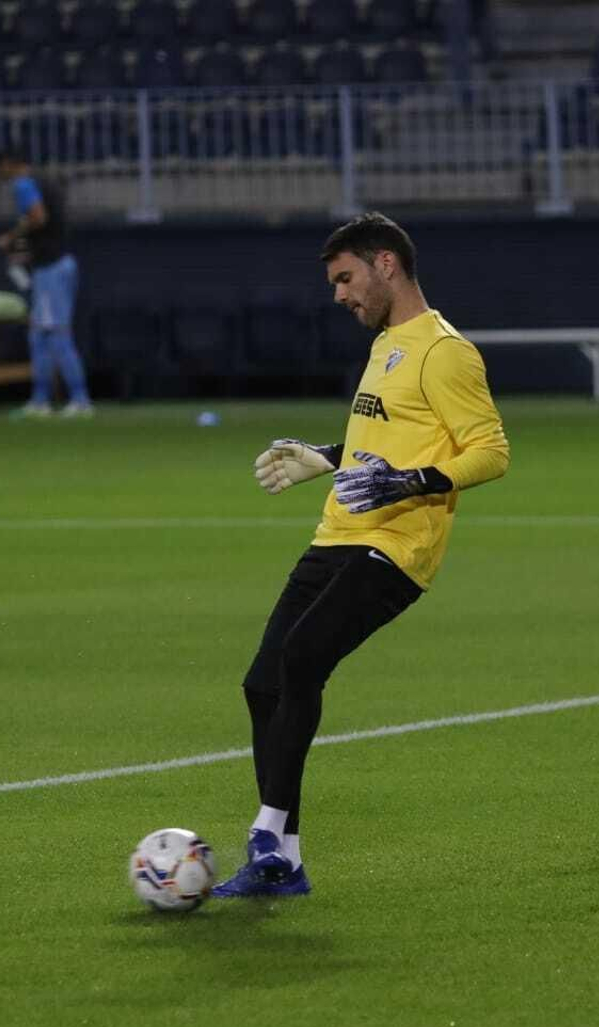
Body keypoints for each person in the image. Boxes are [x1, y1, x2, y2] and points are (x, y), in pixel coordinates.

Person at [215, 212, 510, 897]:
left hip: (396, 545)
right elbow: (388, 437)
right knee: (262, 683)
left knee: (302, 657)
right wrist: (322, 455)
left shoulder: (445, 351)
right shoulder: (387, 344)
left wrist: (415, 481)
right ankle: (282, 862)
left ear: (386, 264)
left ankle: (268, 829)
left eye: (344, 278)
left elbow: (491, 451)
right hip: (338, 533)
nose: (339, 294)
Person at [0, 145, 92, 419]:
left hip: (51, 269)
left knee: (58, 335)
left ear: (9, 164)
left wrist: (11, 238)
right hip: (54, 264)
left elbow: (38, 217)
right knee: (38, 336)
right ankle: (40, 400)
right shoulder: (45, 181)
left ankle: (81, 399)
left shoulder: (24, 184)